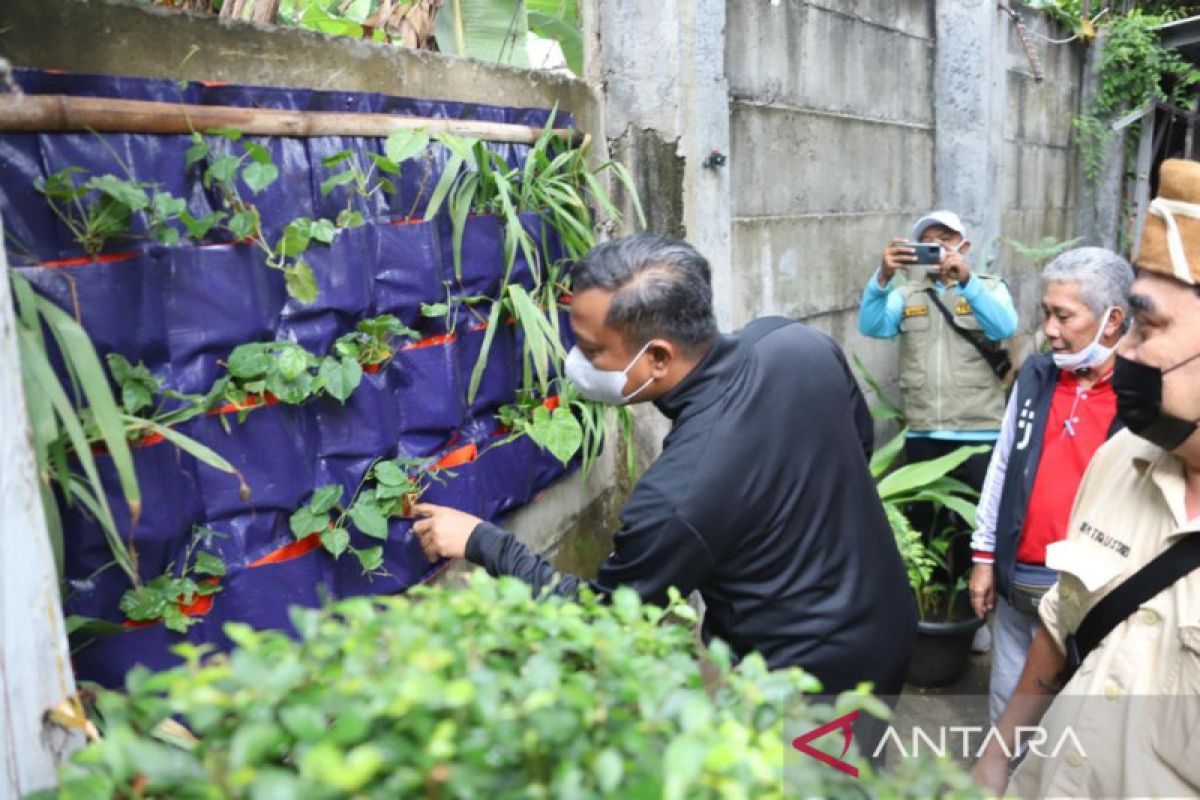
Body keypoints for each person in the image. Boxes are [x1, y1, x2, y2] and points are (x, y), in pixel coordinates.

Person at [413, 233, 917, 699]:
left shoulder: (679, 493)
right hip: (887, 618)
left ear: (657, 357)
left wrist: (483, 541)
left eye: (591, 351)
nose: (576, 363)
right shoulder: (793, 343)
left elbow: (607, 618)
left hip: (807, 682)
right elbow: (859, 443)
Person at [972, 159, 1200, 798]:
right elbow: (1059, 623)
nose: (1126, 352)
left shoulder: (1124, 420)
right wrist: (995, 761)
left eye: (1146, 327)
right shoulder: (1118, 456)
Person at [968, 247, 1132, 725]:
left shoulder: (1143, 392)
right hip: (1021, 585)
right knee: (1008, 707)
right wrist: (983, 559)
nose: (1050, 330)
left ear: (1113, 319)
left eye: (1064, 316)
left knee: (1076, 720)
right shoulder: (1037, 376)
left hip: (1094, 594)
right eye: (1046, 314)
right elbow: (1003, 466)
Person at [858, 211, 1019, 621]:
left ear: (964, 245)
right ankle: (932, 612)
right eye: (928, 240)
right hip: (925, 432)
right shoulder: (907, 294)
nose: (938, 246)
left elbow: (1004, 326)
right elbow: (872, 325)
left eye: (945, 238)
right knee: (926, 531)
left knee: (976, 532)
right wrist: (881, 277)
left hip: (980, 432)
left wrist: (966, 281)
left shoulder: (990, 288)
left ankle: (977, 617)